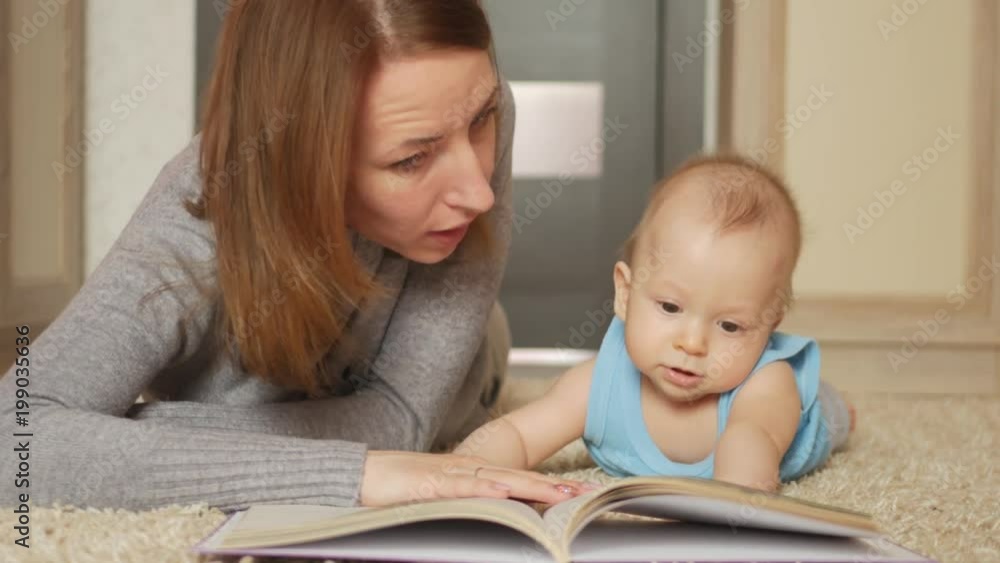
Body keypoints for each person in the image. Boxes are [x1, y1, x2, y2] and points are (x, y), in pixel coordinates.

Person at [0, 0, 595, 512]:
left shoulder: (463, 105)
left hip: (474, 370)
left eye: (483, 120)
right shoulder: (190, 222)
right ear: (298, 159)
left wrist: (138, 433)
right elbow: (14, 439)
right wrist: (358, 474)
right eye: (411, 160)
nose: (480, 192)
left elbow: (403, 419)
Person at [457, 154, 857, 492]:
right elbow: (518, 434)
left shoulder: (764, 386)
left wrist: (730, 510)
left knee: (831, 413)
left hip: (799, 419)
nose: (692, 343)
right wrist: (465, 472)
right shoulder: (599, 383)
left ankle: (841, 408)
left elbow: (748, 456)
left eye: (730, 327)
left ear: (769, 326)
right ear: (626, 294)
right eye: (669, 307)